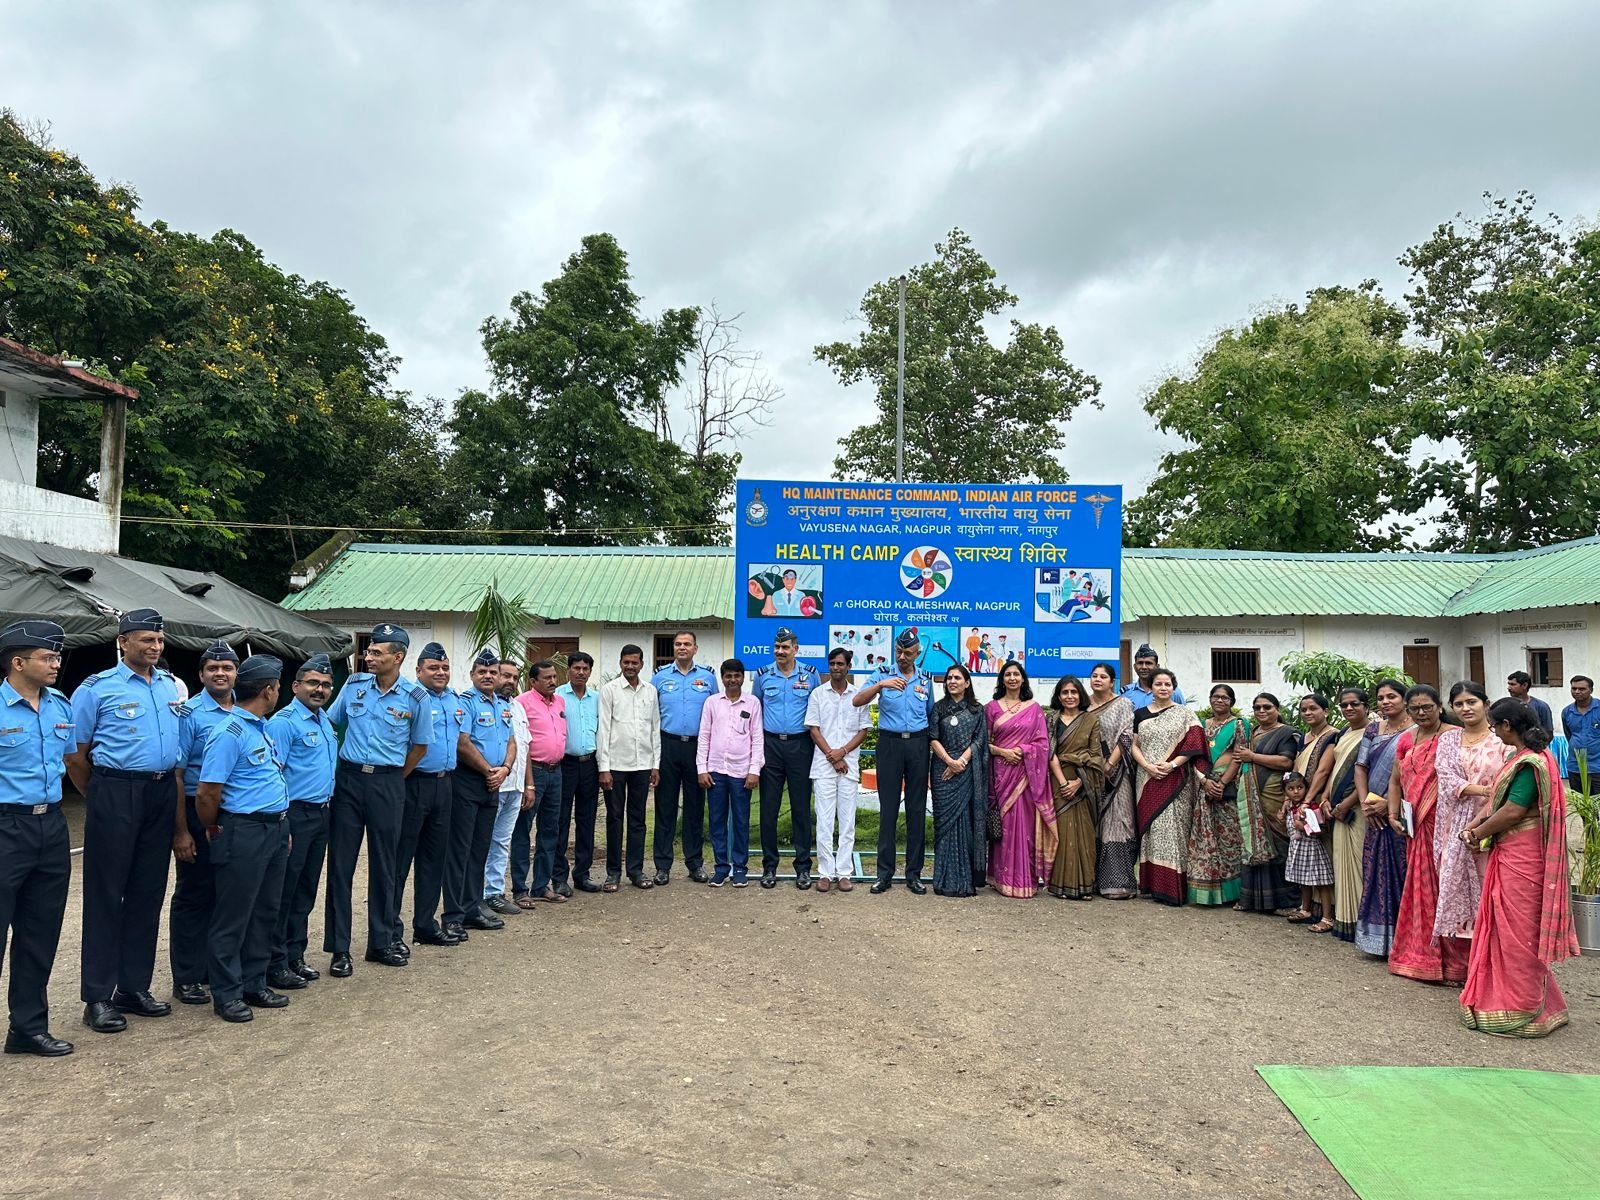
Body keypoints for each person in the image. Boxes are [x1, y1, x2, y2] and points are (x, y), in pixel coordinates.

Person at [66, 607, 181, 1034]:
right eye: (145, 640)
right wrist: (98, 796)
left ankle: (133, 987)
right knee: (105, 894)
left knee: (148, 891)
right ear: (123, 642)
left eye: (159, 640)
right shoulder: (96, 689)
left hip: (160, 790)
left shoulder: (170, 686)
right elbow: (76, 755)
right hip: (115, 791)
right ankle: (97, 996)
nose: (154, 647)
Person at [1459, 699, 1580, 1037]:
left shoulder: (1529, 763)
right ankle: (1535, 1003)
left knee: (1518, 933)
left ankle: (1522, 1007)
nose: (1494, 731)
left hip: (1522, 857)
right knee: (1506, 927)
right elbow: (1497, 802)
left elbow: (1513, 810)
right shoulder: (1522, 758)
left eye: (1496, 726)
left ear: (1508, 725)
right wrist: (1477, 823)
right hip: (1514, 850)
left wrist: (1478, 832)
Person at [323, 624, 431, 976]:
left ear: (397, 657)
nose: (368, 657)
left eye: (376, 652)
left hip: (388, 783)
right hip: (350, 780)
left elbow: (419, 747)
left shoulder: (416, 699)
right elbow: (329, 722)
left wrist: (394, 778)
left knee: (386, 864)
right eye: (368, 652)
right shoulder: (354, 687)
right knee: (341, 865)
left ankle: (380, 942)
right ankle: (339, 949)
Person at [195, 655, 290, 1023]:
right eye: (278, 687)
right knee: (234, 915)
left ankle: (254, 981)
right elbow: (207, 793)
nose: (277, 692)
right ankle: (227, 993)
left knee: (265, 911)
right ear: (268, 691)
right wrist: (215, 828)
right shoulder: (229, 732)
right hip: (244, 830)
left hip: (274, 828)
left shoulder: (260, 727)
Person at [0, 620, 75, 1057]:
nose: (56, 663)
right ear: (17, 662)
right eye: (48, 658)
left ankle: (27, 1027)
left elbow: (70, 761)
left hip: (50, 827)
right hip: (6, 826)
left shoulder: (59, 706)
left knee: (39, 932)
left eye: (57, 656)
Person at [169, 639, 239, 1007]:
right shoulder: (189, 714)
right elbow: (177, 775)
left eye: (227, 668)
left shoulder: (243, 711)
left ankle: (216, 967)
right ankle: (187, 975)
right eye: (212, 668)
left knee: (225, 892)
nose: (220, 673)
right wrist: (181, 831)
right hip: (198, 810)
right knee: (194, 894)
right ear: (200, 675)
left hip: (234, 813)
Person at [1387, 683, 1470, 984]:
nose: (1421, 713)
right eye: (1415, 709)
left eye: (1427, 707)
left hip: (1445, 824)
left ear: (1439, 706)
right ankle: (1421, 957)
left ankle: (1456, 963)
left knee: (1448, 889)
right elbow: (1396, 781)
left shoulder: (1453, 736)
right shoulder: (1407, 739)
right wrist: (1392, 813)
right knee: (1420, 888)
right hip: (1416, 824)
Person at [265, 655, 338, 990]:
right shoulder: (284, 722)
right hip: (294, 814)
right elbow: (272, 772)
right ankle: (274, 963)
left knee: (305, 890)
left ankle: (295, 955)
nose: (319, 689)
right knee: (284, 892)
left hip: (321, 813)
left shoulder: (323, 721)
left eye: (324, 684)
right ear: (295, 687)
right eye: (312, 683)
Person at [394, 643, 462, 951]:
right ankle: (391, 930)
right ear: (418, 670)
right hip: (413, 784)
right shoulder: (409, 697)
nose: (441, 673)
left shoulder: (454, 700)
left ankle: (425, 924)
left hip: (444, 785)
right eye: (434, 668)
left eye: (445, 667)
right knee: (400, 860)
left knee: (434, 860)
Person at [856, 630, 934, 894]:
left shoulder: (926, 679)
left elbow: (931, 713)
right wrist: (881, 686)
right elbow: (857, 700)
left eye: (908, 653)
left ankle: (914, 874)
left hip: (918, 744)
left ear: (917, 653)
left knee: (916, 809)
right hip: (889, 744)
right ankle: (884, 874)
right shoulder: (882, 672)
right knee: (888, 809)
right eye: (899, 652)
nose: (902, 657)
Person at [1434, 681, 1510, 950]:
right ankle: (1465, 961)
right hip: (1455, 825)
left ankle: (1494, 954)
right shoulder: (1448, 739)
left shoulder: (1501, 738)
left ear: (1485, 704)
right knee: (1456, 886)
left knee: (1490, 886)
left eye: (1471, 702)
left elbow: (1510, 776)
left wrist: (1491, 797)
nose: (1465, 708)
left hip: (1496, 821)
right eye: (1459, 704)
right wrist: (1483, 789)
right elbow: (1445, 777)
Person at [447, 650, 516, 939]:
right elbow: (462, 744)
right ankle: (458, 909)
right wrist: (490, 770)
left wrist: (506, 769)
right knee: (461, 850)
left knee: (480, 848)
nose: (488, 676)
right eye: (482, 672)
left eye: (493, 672)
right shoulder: (466, 704)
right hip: (469, 782)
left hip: (494, 783)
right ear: (473, 675)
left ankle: (474, 903)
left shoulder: (502, 705)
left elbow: (511, 740)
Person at [1130, 668, 1207, 905]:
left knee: (1174, 831)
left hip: (1176, 780)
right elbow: (1134, 745)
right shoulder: (1140, 714)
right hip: (1147, 777)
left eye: (1167, 684)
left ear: (1174, 688)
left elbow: (1195, 744)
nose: (1163, 688)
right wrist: (1147, 766)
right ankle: (1153, 885)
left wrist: (1172, 765)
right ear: (1150, 688)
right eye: (1158, 684)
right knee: (1152, 832)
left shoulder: (1185, 714)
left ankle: (1174, 888)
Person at [755, 628, 821, 889]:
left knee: (801, 810)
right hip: (771, 746)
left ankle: (803, 868)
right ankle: (769, 867)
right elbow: (756, 713)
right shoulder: (762, 676)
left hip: (800, 746)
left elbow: (817, 711)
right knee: (768, 810)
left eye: (785, 647)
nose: (780, 652)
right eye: (777, 647)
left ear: (796, 649)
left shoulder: (810, 675)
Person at [652, 632, 717, 886]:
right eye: (678, 644)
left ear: (695, 648)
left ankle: (695, 863)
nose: (682, 647)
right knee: (664, 808)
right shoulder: (660, 676)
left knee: (694, 809)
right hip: (668, 745)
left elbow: (715, 713)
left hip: (697, 748)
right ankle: (662, 865)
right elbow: (652, 714)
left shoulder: (708, 677)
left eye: (686, 644)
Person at [985, 662, 1054, 899]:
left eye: (1016, 674)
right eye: (1008, 674)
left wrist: (1022, 750)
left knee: (1023, 827)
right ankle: (1001, 878)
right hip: (1000, 774)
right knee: (1001, 827)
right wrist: (1003, 752)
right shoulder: (991, 708)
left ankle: (1023, 879)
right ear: (1002, 679)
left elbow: (1042, 744)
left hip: (1024, 775)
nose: (1012, 678)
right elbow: (983, 743)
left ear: (1023, 679)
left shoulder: (1034, 709)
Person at [1354, 678, 1413, 957]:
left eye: (1392, 697)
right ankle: (1378, 941)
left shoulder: (1416, 731)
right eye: (1381, 698)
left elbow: (1414, 776)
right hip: (1373, 811)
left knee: (1403, 873)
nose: (1386, 702)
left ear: (1404, 700)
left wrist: (1391, 806)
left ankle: (1406, 940)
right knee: (1375, 872)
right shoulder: (1372, 729)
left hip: (1400, 814)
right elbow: (1361, 767)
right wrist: (1367, 802)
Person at [806, 648, 870, 893]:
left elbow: (863, 730)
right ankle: (825, 872)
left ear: (848, 667)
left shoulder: (859, 696)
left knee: (847, 821)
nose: (835, 667)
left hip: (848, 766)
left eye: (840, 664)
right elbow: (814, 729)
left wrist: (842, 752)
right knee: (823, 821)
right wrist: (833, 756)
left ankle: (843, 872)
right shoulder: (818, 694)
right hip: (823, 766)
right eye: (832, 663)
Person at [696, 659, 763, 886]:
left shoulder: (752, 703)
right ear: (722, 678)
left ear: (743, 677)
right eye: (728, 676)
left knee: (741, 821)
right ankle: (721, 868)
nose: (732, 680)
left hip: (741, 771)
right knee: (716, 820)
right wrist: (702, 768)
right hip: (715, 770)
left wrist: (754, 770)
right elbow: (704, 736)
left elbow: (757, 738)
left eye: (737, 676)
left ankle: (741, 868)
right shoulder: (712, 702)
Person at [598, 645, 660, 890]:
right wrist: (604, 767)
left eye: (635, 662)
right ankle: (613, 872)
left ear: (642, 664)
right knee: (614, 817)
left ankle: (635, 870)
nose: (630, 666)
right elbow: (603, 729)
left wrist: (655, 764)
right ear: (620, 663)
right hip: (615, 764)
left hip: (643, 764)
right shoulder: (609, 690)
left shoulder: (650, 691)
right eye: (626, 662)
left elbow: (654, 728)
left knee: (638, 819)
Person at [1234, 692, 1300, 914]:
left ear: (1277, 709)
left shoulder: (1286, 733)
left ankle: (1284, 901)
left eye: (1267, 707)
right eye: (1257, 708)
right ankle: (1253, 899)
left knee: (1279, 845)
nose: (1262, 711)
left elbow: (1286, 761)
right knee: (1251, 844)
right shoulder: (1251, 733)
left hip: (1273, 797)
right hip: (1251, 799)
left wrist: (1252, 757)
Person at [928, 664, 988, 898]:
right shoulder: (939, 708)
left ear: (967, 682)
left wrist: (960, 762)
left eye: (957, 678)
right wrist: (949, 762)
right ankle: (942, 880)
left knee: (966, 822)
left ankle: (964, 881)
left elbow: (980, 740)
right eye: (949, 678)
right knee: (944, 825)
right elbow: (932, 737)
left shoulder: (977, 710)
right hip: (942, 769)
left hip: (967, 770)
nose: (952, 681)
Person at [1045, 675, 1104, 900]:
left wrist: (1079, 783)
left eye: (1073, 692)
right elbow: (1049, 754)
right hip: (1059, 781)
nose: (1069, 697)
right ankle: (1061, 886)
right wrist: (1063, 783)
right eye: (1065, 693)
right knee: (1062, 833)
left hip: (1084, 784)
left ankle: (1085, 886)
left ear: (1080, 694)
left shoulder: (1090, 720)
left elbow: (1096, 756)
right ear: (1058, 696)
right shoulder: (1051, 719)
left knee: (1085, 834)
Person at [1187, 684, 1245, 907]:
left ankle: (1232, 893)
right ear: (1210, 699)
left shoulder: (1239, 725)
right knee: (1205, 840)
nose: (1220, 700)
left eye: (1225, 697)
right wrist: (1205, 781)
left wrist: (1221, 783)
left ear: (1232, 701)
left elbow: (1238, 756)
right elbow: (1193, 756)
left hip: (1226, 789)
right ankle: (1207, 893)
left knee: (1230, 840)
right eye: (1216, 696)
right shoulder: (1200, 726)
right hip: (1203, 786)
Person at [1284, 695, 1339, 929]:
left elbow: (1323, 770)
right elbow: (1297, 770)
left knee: (1322, 861)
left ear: (1325, 711)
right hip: (1299, 799)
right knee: (1305, 865)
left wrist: (1307, 801)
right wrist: (1291, 798)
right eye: (1303, 709)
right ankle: (1308, 908)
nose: (1307, 713)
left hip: (1316, 801)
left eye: (1313, 708)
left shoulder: (1332, 735)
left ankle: (1328, 913)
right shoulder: (1304, 737)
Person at [1324, 688, 1374, 943]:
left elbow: (1371, 774)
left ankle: (1362, 923)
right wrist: (1326, 799)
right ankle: (1345, 919)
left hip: (1357, 808)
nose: (1349, 708)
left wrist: (1348, 802)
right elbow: (1332, 769)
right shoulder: (1343, 733)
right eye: (1344, 705)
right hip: (1338, 808)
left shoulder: (1375, 731)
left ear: (1366, 706)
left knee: (1359, 863)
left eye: (1355, 704)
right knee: (1342, 862)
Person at [518, 660, 567, 904]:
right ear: (533, 681)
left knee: (550, 829)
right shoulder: (522, 703)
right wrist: (528, 783)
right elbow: (521, 743)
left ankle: (541, 885)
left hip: (556, 772)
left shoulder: (559, 701)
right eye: (547, 678)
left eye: (554, 677)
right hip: (534, 772)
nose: (552, 681)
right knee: (523, 829)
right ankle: (519, 888)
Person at [1086, 664, 1137, 899]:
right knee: (1093, 825)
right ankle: (1092, 880)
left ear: (1112, 681)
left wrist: (1108, 766)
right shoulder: (1083, 705)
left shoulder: (1123, 704)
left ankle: (1118, 883)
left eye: (1103, 676)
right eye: (1094, 676)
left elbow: (1126, 736)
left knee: (1118, 823)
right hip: (1088, 774)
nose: (1098, 680)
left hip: (1117, 774)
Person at [556, 652, 602, 893]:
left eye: (585, 668)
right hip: (565, 764)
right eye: (576, 668)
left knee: (587, 820)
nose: (581, 672)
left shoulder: (597, 698)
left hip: (589, 765)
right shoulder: (557, 697)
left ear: (590, 672)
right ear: (568, 670)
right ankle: (559, 876)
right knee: (561, 820)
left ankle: (582, 874)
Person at [493, 661, 534, 910]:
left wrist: (529, 784)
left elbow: (525, 748)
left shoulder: (517, 707)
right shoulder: (480, 704)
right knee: (484, 841)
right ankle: (477, 894)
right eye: (505, 675)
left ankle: (494, 892)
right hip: (493, 784)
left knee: (501, 841)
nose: (510, 680)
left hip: (516, 785)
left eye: (514, 676)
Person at [1283, 772, 1334, 931]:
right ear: (1285, 792)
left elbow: (1322, 830)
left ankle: (1327, 917)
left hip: (1311, 850)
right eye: (1291, 788)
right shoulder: (1290, 807)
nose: (1296, 791)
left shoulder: (1311, 808)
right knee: (1303, 881)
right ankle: (1305, 909)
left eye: (1300, 787)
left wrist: (1304, 827)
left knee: (1321, 884)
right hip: (1298, 850)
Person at [1560, 675, 1600, 792]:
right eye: (1574, 688)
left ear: (1591, 690)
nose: (1577, 692)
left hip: (1597, 768)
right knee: (1579, 805)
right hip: (1575, 767)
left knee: (1597, 807)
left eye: (1582, 689)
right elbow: (1569, 736)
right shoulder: (1567, 712)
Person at [1123, 644, 1185, 709]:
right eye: (1140, 663)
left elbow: (1184, 715)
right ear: (1135, 667)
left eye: (1148, 663)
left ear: (1157, 667)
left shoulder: (1173, 692)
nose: (1144, 667)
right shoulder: (1126, 693)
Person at [1505, 671, 1553, 737]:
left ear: (1524, 685)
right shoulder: (1505, 707)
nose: (1509, 688)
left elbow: (1548, 733)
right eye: (1509, 684)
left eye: (1513, 684)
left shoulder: (1541, 706)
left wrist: (1538, 746)